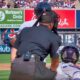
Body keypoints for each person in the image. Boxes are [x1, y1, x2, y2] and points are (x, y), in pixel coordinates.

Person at [9, 2, 61, 80]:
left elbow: (14, 45)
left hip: (19, 63)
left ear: (36, 12)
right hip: (37, 65)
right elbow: (55, 62)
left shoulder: (25, 26)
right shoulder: (52, 34)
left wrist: (14, 63)